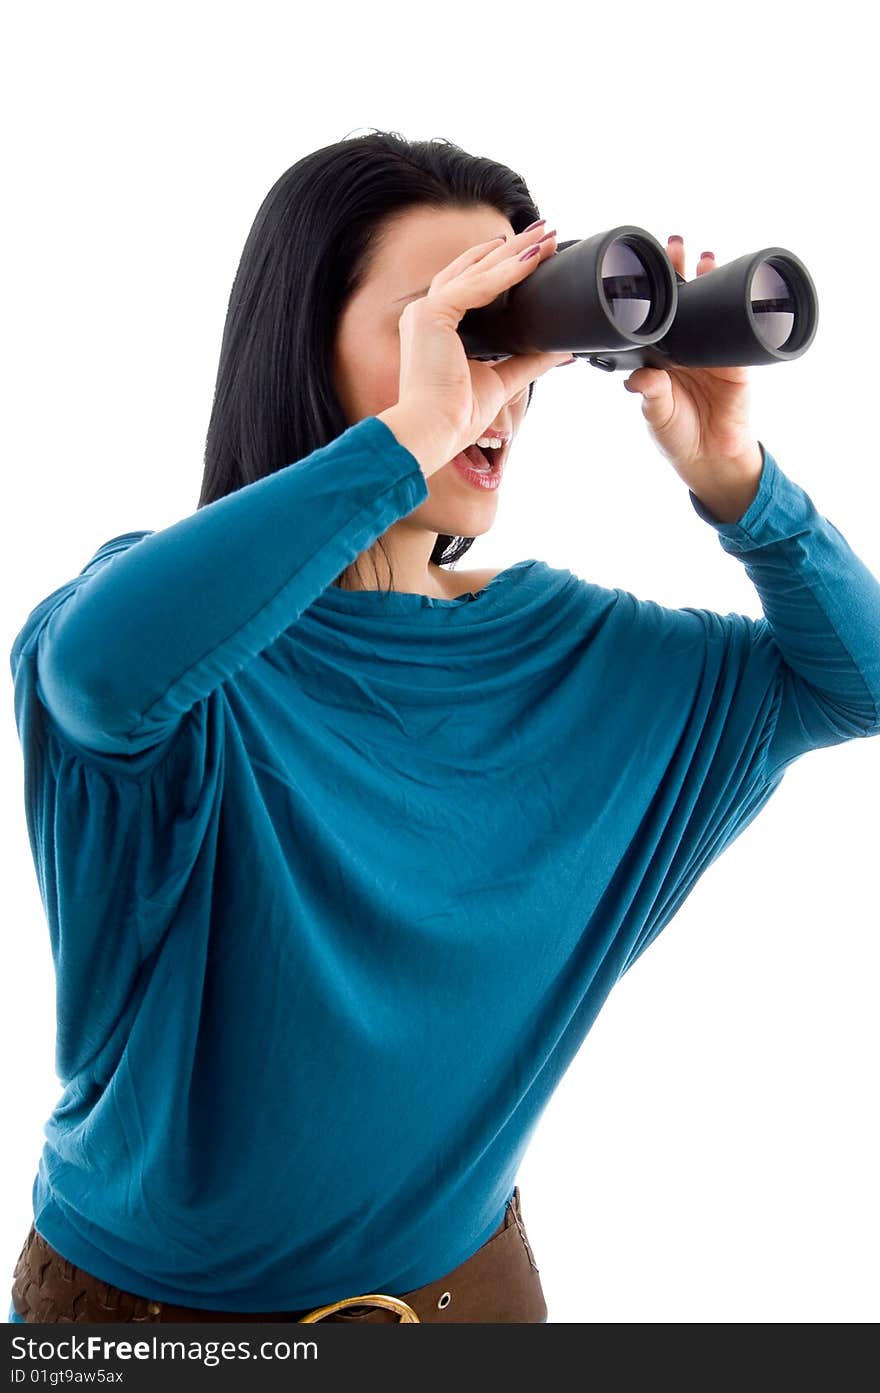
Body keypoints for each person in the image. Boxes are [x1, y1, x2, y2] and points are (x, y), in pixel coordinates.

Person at [7, 130, 880, 1325]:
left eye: (517, 335)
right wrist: (405, 437)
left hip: (471, 1302)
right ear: (303, 350)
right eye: (447, 325)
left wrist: (738, 474)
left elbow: (858, 681)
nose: (493, 388)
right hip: (144, 1322)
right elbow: (101, 675)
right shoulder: (163, 639)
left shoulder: (580, 659)